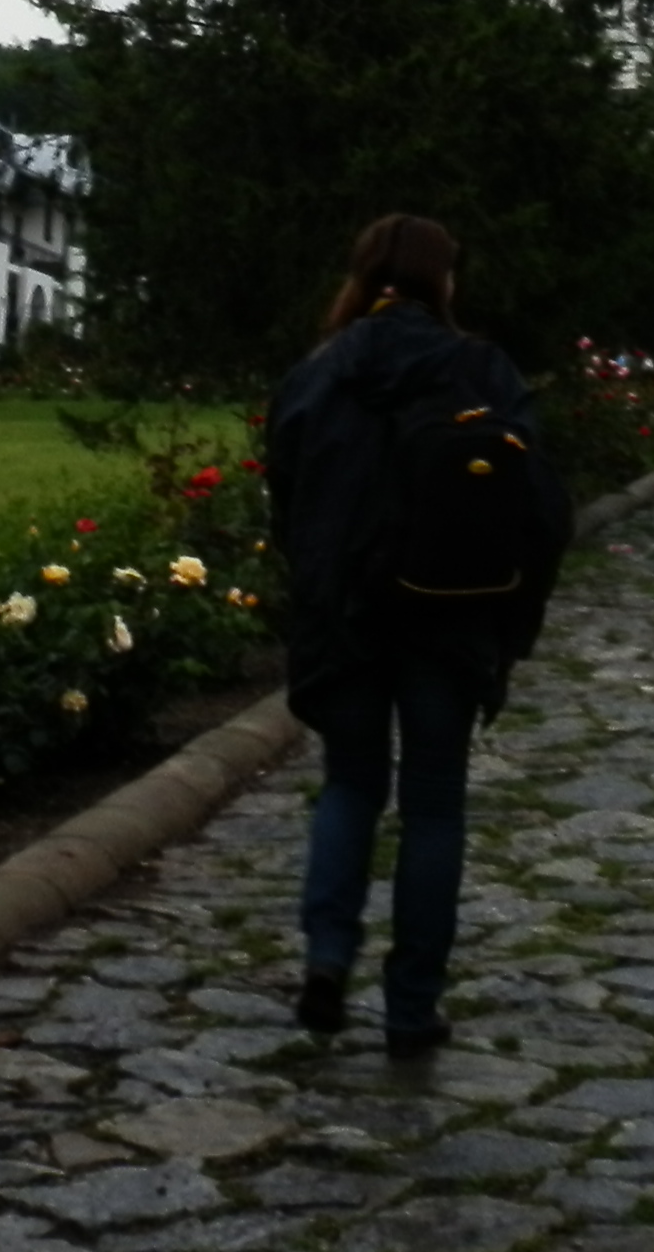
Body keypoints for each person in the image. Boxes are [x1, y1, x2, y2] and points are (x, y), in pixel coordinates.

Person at [264, 213, 571, 1058]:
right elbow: (540, 503)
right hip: (452, 609)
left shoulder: (321, 370)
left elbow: (286, 492)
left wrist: (315, 588)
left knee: (350, 783)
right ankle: (412, 1005)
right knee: (434, 804)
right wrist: (515, 614)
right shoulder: (480, 368)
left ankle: (328, 955)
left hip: (349, 612)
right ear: (444, 281)